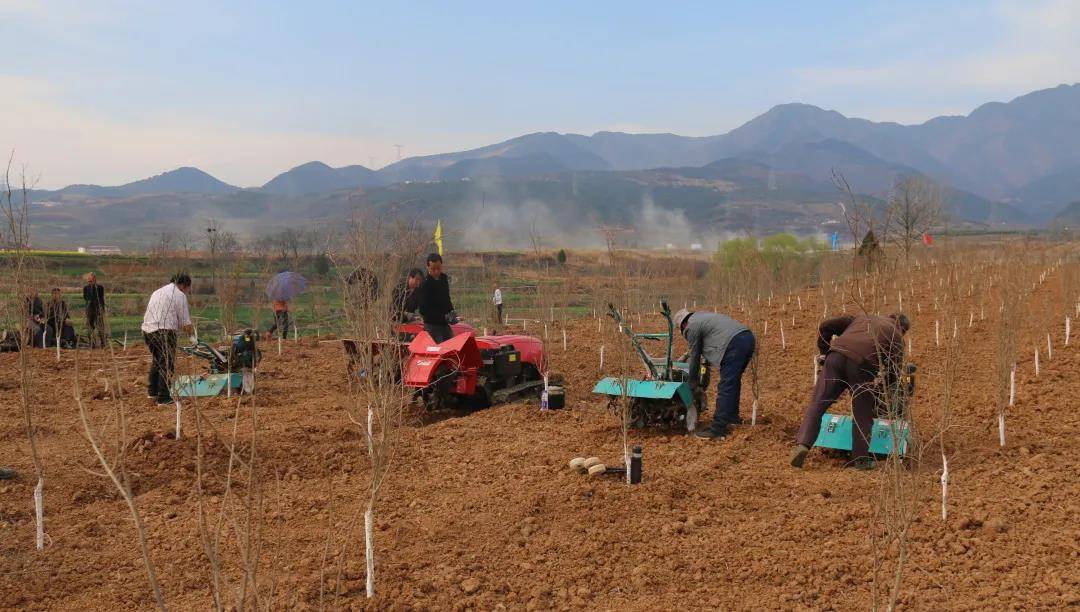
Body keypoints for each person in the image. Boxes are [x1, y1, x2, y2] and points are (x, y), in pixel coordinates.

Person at [790, 313, 910, 471]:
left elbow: (825, 326)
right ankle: (860, 459)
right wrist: (880, 387)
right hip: (863, 364)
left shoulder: (862, 318)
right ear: (902, 328)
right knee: (862, 413)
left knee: (818, 403)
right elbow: (894, 373)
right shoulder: (897, 336)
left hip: (835, 357)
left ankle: (803, 444)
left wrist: (825, 353)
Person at [673, 308, 756, 440]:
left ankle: (718, 428)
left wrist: (692, 383)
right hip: (747, 338)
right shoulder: (702, 317)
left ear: (683, 324)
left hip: (733, 343)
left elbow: (695, 356)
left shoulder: (691, 327)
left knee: (726, 385)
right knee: (733, 381)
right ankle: (732, 418)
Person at [141, 274, 194, 405]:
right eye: (187, 288)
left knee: (157, 362)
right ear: (183, 285)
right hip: (165, 332)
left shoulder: (157, 292)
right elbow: (185, 321)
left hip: (148, 330)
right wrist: (192, 337)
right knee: (167, 364)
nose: (187, 291)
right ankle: (164, 398)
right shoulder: (179, 295)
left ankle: (152, 394)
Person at [417, 253, 458, 343]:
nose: (436, 272)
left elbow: (447, 298)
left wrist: (451, 311)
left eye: (438, 269)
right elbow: (423, 310)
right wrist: (442, 317)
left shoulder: (443, 279)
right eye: (433, 269)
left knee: (451, 349)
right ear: (428, 267)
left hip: (445, 325)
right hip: (432, 326)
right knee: (438, 350)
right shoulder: (425, 284)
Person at [83, 272, 107, 348]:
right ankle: (92, 343)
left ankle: (103, 343)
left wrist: (102, 309)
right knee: (89, 327)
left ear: (94, 279)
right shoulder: (86, 288)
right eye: (88, 280)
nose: (89, 282)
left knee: (100, 326)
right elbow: (85, 298)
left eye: (91, 280)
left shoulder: (100, 288)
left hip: (98, 309)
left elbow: (101, 299)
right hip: (89, 309)